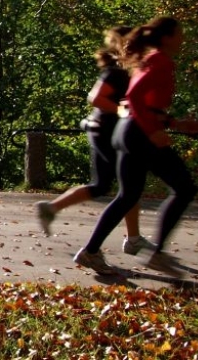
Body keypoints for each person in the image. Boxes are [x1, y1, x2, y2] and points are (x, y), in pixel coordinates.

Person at [73, 16, 198, 276]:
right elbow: (134, 98)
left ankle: (90, 252)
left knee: (128, 196)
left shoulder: (150, 60)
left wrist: (176, 123)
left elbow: (147, 104)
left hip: (129, 131)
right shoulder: (160, 61)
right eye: (180, 32)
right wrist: (154, 131)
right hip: (139, 134)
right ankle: (155, 255)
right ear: (167, 37)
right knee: (184, 188)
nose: (183, 37)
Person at [35, 26, 153, 256]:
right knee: (120, 186)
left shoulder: (124, 70)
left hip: (108, 131)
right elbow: (95, 97)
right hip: (106, 132)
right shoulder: (116, 71)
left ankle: (133, 237)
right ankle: (132, 239)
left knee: (116, 187)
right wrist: (123, 111)